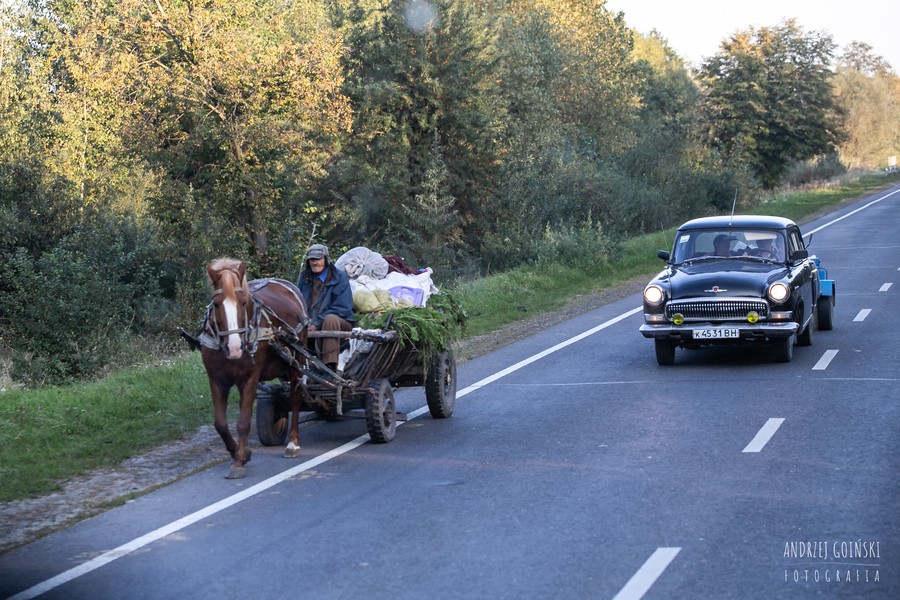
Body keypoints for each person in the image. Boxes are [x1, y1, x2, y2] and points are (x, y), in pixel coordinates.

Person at [297, 244, 355, 371]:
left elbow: (343, 308)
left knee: (330, 319)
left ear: (326, 259)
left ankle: (329, 367)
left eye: (318, 259)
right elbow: (298, 302)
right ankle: (299, 366)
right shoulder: (305, 278)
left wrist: (316, 323)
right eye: (312, 259)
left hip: (341, 322)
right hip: (310, 323)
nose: (315, 262)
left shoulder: (339, 277)